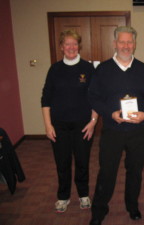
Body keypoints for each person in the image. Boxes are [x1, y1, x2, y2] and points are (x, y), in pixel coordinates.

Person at [88, 26, 144, 225]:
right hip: (112, 131)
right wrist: (110, 113)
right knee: (106, 172)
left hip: (138, 132)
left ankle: (132, 205)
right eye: (122, 42)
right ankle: (99, 211)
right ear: (115, 43)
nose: (126, 46)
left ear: (134, 44)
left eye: (130, 42)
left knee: (135, 171)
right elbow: (93, 97)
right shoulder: (103, 69)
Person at [41, 30, 98, 213]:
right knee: (62, 163)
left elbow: (96, 97)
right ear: (61, 47)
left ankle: (83, 194)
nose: (71, 47)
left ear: (79, 46)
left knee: (82, 162)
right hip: (59, 126)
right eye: (67, 44)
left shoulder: (88, 69)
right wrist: (48, 125)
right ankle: (63, 196)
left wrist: (93, 121)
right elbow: (46, 98)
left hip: (83, 126)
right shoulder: (55, 69)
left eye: (74, 44)